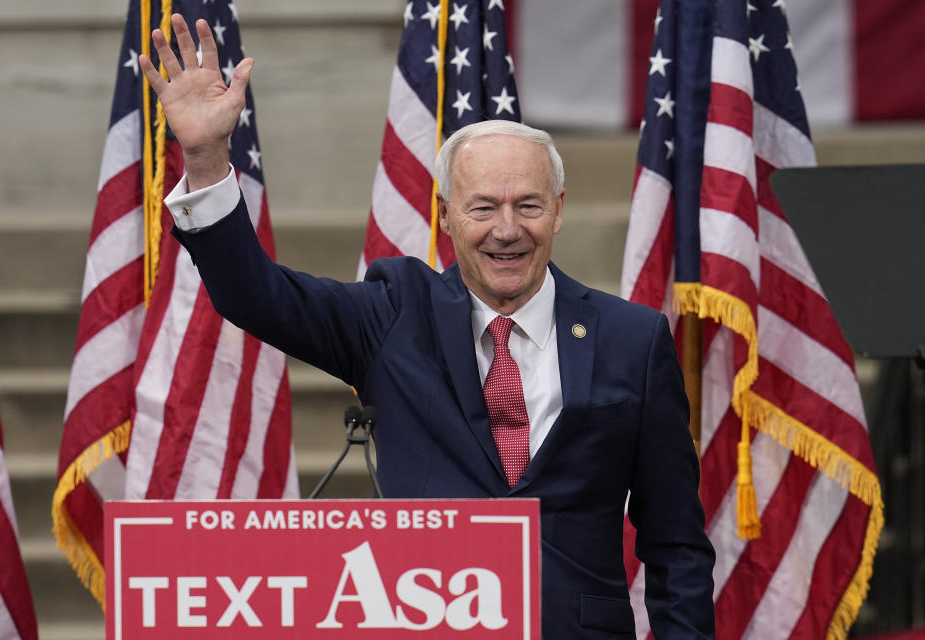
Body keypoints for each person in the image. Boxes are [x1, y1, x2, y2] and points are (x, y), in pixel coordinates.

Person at [140, 15, 715, 638]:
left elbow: (676, 544)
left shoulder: (632, 339)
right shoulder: (395, 316)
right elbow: (255, 296)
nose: (507, 229)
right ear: (445, 215)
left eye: (528, 205)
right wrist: (203, 157)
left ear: (557, 210)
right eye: (483, 208)